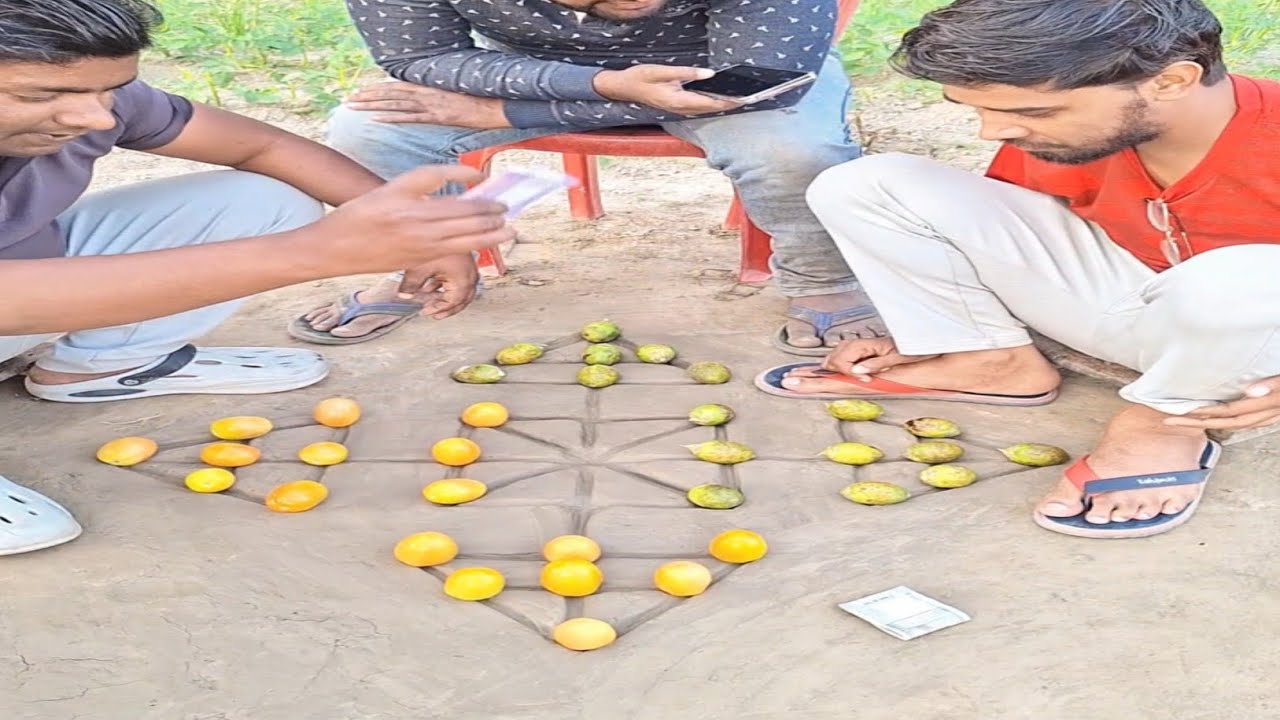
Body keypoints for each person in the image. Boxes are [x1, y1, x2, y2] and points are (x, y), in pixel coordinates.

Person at [0, 0, 515, 556]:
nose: (97, 118)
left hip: (31, 283)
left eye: (109, 90)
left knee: (265, 196)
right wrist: (313, 253)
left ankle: (103, 364)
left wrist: (417, 229)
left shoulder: (88, 92)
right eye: (39, 96)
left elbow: (262, 146)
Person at [757, 0, 1280, 538]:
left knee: (1236, 279)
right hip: (1140, 308)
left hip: (1253, 347)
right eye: (978, 110)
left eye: (1034, 113)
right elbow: (999, 243)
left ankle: (1164, 422)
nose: (992, 132)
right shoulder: (1063, 137)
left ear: (1171, 81)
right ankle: (987, 359)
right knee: (862, 184)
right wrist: (935, 325)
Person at [292, 0, 880, 354]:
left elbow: (761, 80)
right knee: (369, 131)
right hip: (524, 67)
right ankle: (428, 260)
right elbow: (418, 59)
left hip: (731, 72)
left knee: (794, 150)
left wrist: (510, 114)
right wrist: (594, 85)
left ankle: (824, 282)